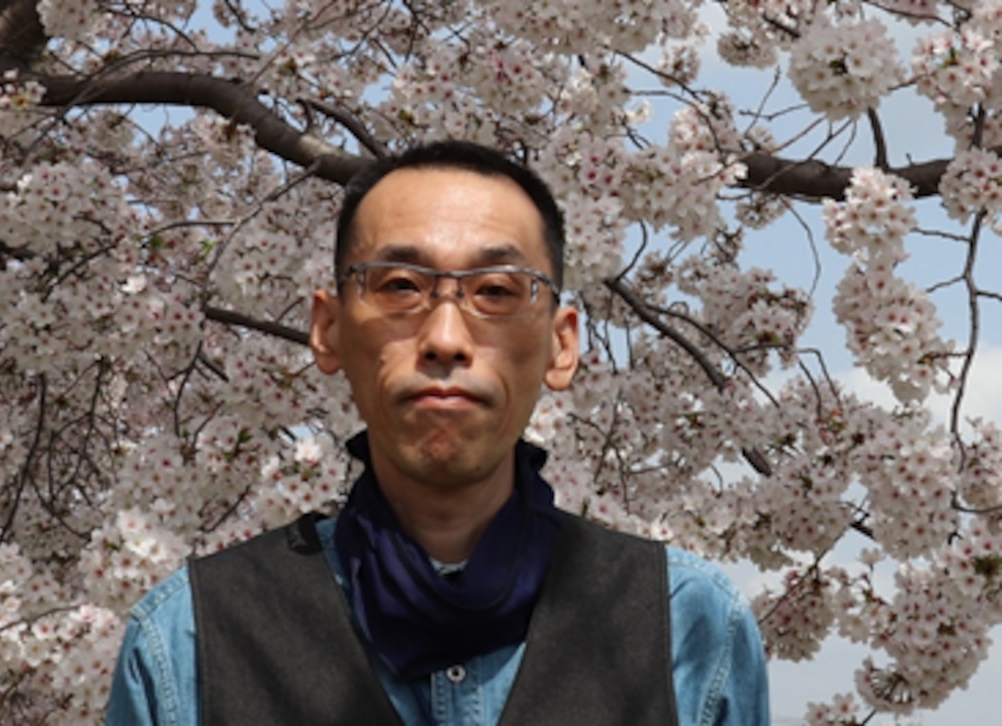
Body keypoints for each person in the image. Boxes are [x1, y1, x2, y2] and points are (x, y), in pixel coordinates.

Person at [106, 140, 770, 725]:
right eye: (399, 285)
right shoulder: (191, 637)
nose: (445, 339)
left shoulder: (687, 624)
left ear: (562, 346)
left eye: (497, 291)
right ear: (328, 329)